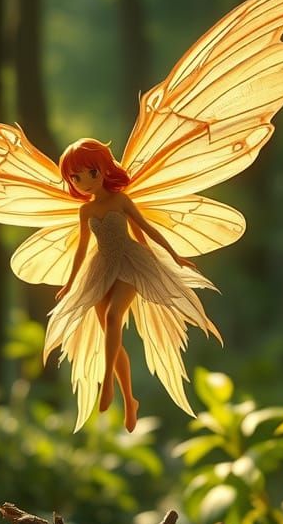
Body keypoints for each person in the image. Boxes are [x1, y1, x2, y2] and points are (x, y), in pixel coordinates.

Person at [47, 138, 220, 432]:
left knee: (114, 318)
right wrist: (71, 282)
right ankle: (129, 399)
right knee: (107, 331)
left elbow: (145, 229)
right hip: (100, 267)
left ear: (103, 169)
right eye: (75, 177)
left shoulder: (121, 200)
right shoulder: (85, 212)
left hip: (130, 262)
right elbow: (81, 249)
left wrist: (174, 255)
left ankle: (107, 387)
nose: (84, 182)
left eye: (90, 173)